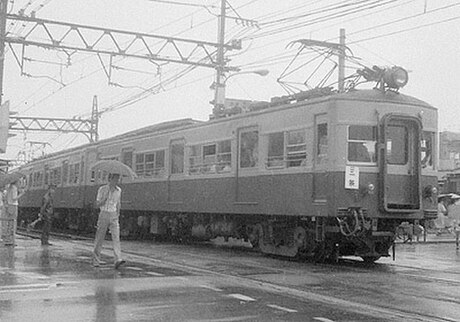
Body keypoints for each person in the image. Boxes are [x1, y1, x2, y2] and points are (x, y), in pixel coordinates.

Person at [93, 173, 125, 269]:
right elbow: (97, 204)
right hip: (104, 213)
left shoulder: (119, 190)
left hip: (113, 214)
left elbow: (118, 203)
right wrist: (104, 199)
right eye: (115, 179)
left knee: (116, 237)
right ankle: (96, 260)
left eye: (118, 179)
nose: (117, 181)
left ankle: (118, 259)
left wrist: (117, 214)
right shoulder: (102, 189)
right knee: (99, 238)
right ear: (110, 179)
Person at [3, 181, 25, 246]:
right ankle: (11, 240)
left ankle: (7, 239)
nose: (19, 183)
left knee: (9, 223)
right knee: (13, 222)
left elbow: (6, 197)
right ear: (16, 182)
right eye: (19, 182)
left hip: (9, 205)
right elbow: (14, 198)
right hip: (13, 206)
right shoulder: (14, 188)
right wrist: (21, 194)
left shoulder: (9, 188)